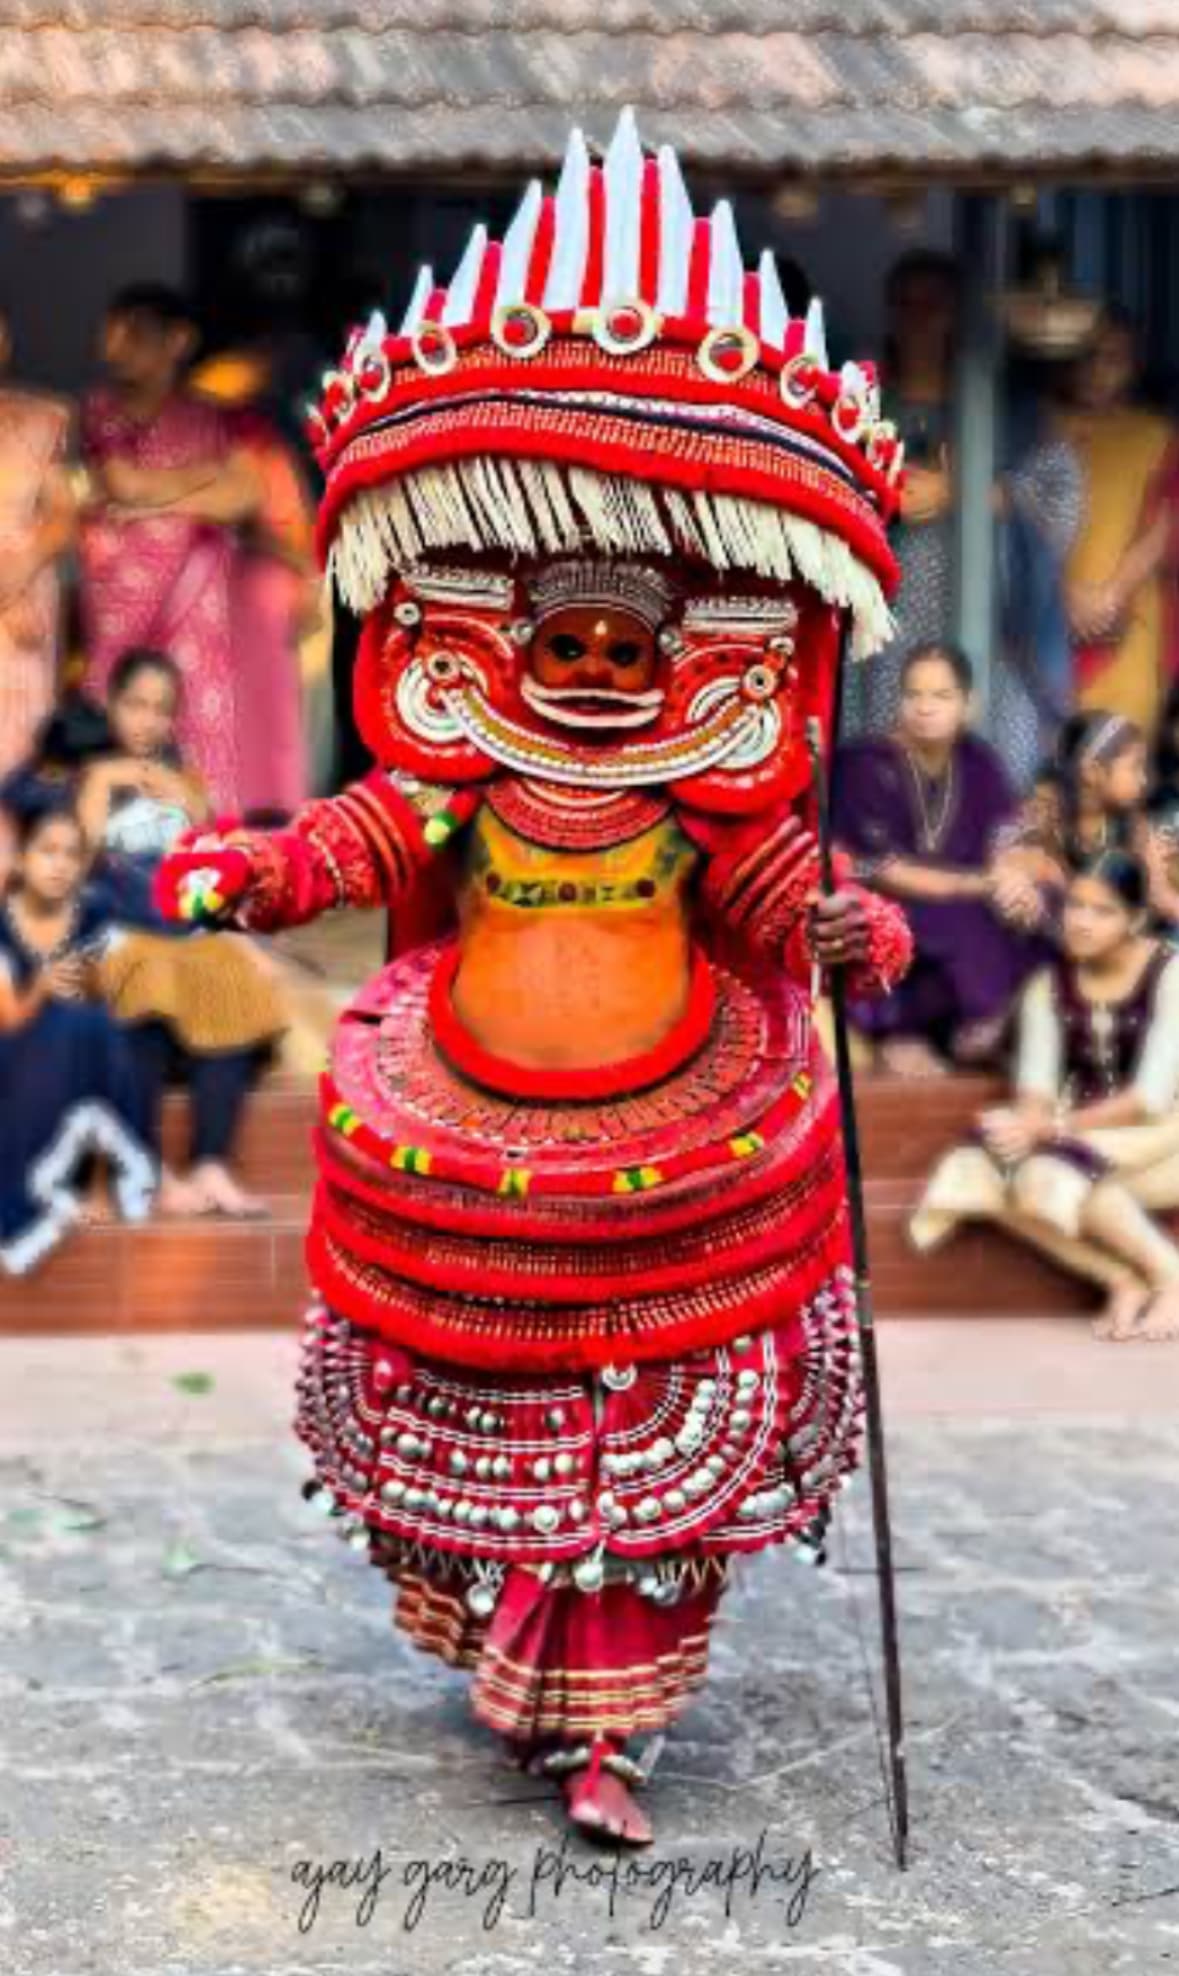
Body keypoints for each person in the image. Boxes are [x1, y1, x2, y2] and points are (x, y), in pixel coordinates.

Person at [153, 114, 913, 1849]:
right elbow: (340, 842)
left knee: (648, 1449)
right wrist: (248, 870)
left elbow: (783, 886)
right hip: (476, 1138)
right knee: (503, 1430)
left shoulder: (694, 796)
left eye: (617, 647)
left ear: (677, 650)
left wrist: (842, 932)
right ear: (493, 638)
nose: (584, 671)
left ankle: (613, 1734)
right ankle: (524, 1672)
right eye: (555, 642)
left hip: (678, 1141)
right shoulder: (458, 774)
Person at [911, 852, 1179, 1342]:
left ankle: (1171, 1279)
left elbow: (1149, 1099)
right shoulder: (1048, 987)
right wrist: (1023, 1128)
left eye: (1103, 911)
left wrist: (1048, 1130)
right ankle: (1120, 1277)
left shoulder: (1170, 975)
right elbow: (1035, 1090)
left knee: (1053, 1166)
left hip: (1165, 1140)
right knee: (990, 1165)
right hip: (1089, 1141)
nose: (1080, 921)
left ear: (1137, 919)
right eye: (1075, 906)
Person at [73, 647, 285, 1218]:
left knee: (235, 980)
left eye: (160, 709)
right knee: (145, 982)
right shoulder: (85, 771)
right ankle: (143, 1169)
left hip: (184, 935)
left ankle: (212, 1165)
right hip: (116, 934)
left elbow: (211, 874)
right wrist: (100, 786)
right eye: (135, 705)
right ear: (111, 706)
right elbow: (76, 866)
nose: (147, 720)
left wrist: (193, 804)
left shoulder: (184, 778)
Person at [77, 283, 264, 810]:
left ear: (178, 341)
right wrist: (201, 481)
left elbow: (245, 494)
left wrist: (156, 506)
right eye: (111, 334)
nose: (116, 348)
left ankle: (206, 865)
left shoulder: (211, 418)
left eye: (134, 334)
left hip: (196, 611)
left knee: (198, 725)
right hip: (121, 607)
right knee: (116, 716)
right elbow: (122, 485)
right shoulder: (102, 411)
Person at [834, 641, 1048, 1075]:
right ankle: (968, 1032)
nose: (925, 708)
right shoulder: (864, 764)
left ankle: (1011, 1033)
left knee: (1039, 909)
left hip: (968, 901)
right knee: (952, 920)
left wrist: (1012, 883)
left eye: (941, 696)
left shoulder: (978, 762)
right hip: (888, 903)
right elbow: (877, 868)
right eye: (914, 695)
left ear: (968, 704)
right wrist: (981, 885)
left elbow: (1005, 839)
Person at [0, 801, 155, 1273]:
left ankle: (99, 1183)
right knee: (82, 1025)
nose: (60, 865)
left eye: (72, 855)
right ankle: (76, 1186)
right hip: (13, 1050)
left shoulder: (95, 912)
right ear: (23, 858)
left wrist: (90, 982)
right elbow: (10, 1020)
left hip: (78, 1049)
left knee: (96, 1024)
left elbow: (117, 990)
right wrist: (44, 986)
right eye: (48, 851)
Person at [191, 347, 324, 814]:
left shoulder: (256, 445)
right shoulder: (256, 445)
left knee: (270, 704)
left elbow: (272, 525)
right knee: (259, 704)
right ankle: (262, 803)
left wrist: (305, 571)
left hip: (263, 586)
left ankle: (272, 805)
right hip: (252, 584)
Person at [841, 251, 960, 739]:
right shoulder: (860, 399)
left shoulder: (983, 402)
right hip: (878, 602)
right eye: (907, 304)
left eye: (933, 305)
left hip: (961, 599)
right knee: (874, 736)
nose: (920, 319)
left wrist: (960, 490)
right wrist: (882, 491)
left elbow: (1039, 487)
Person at [1055, 306, 1179, 737]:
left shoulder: (1155, 435)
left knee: (1120, 758)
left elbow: (1167, 522)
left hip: (1128, 623)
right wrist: (1063, 594)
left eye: (1113, 358)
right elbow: (1018, 524)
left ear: (1134, 365)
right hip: (1048, 615)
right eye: (1086, 356)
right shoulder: (1039, 428)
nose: (1096, 371)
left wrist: (1111, 595)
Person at [0, 303, 75, 776]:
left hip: (28, 589)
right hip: (11, 601)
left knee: (22, 740)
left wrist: (22, 569)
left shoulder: (45, 417)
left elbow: (64, 513)